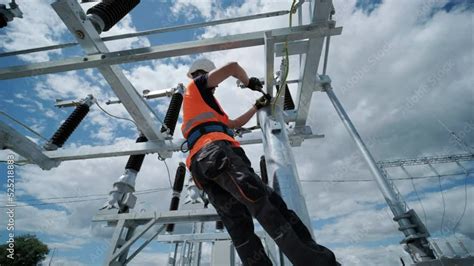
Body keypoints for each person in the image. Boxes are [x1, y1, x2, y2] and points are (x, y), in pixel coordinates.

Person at [181, 58, 337, 266]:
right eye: (213, 81)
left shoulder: (205, 107)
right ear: (200, 74)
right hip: (217, 153)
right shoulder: (197, 85)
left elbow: (234, 124)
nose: (216, 86)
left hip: (204, 166)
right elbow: (233, 67)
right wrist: (248, 82)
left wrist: (256, 106)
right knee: (266, 204)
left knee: (239, 226)